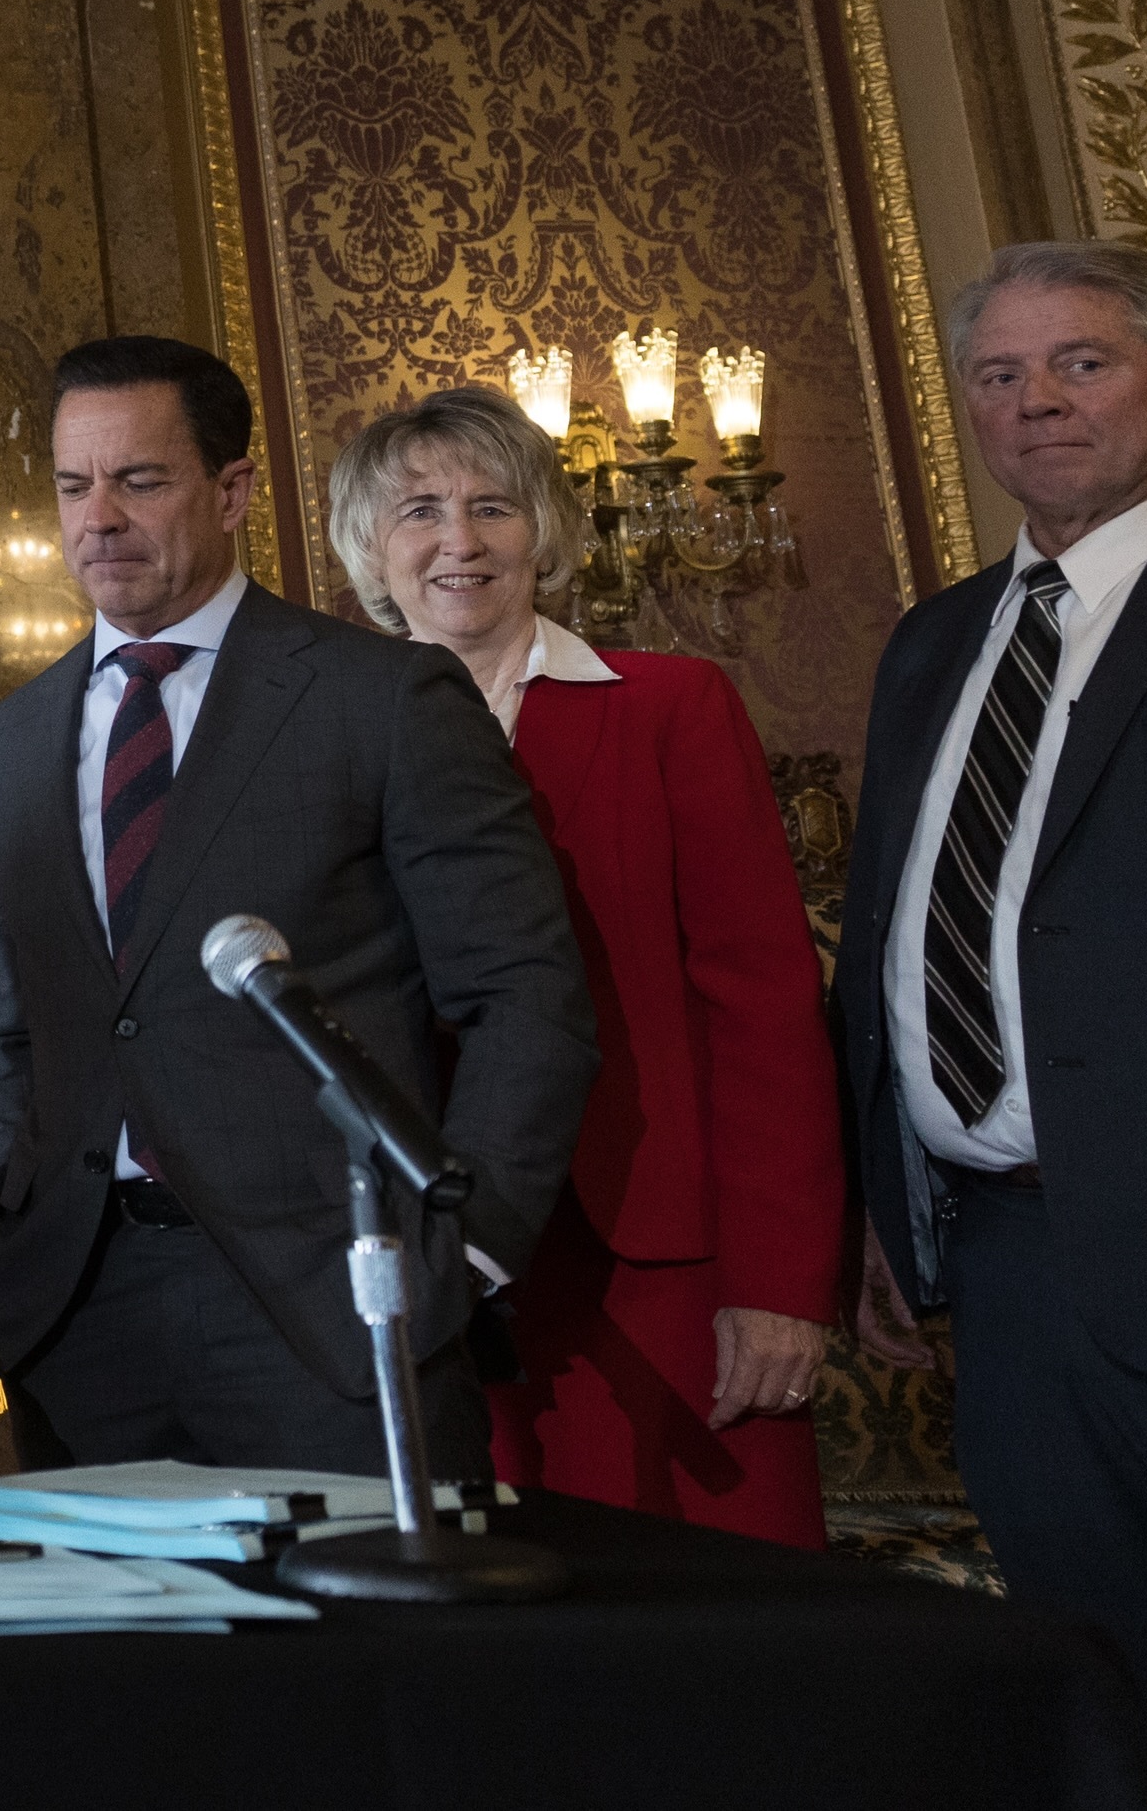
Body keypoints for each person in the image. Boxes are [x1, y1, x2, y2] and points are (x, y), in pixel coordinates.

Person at [0, 334, 596, 1477]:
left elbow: (523, 993)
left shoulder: (379, 697)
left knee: (372, 1659)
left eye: (140, 479)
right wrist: (18, 1215)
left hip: (335, 1309)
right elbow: (2, 1026)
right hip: (76, 1319)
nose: (98, 517)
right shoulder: (5, 741)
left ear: (231, 489)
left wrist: (464, 1251)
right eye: (71, 483)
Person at [838, 241, 1147, 1810]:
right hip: (1011, 1287)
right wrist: (892, 1212)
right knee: (1130, 1727)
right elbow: (898, 939)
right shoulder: (933, 641)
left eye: (1081, 364)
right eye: (998, 375)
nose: (1036, 401)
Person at [329, 385, 839, 1546]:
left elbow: (761, 1008)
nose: (457, 540)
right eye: (418, 509)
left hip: (652, 1254)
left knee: (706, 1630)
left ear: (544, 530)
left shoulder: (670, 707)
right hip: (426, 1262)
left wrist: (777, 1278)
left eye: (490, 505)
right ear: (369, 544)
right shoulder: (323, 738)